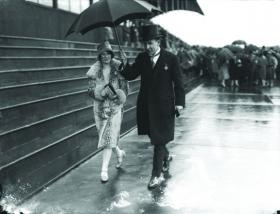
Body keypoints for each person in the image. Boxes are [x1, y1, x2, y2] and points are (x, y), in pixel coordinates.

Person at [119, 25, 185, 189]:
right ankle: (166, 156)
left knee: (158, 140)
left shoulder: (171, 59)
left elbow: (179, 83)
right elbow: (131, 74)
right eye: (145, 44)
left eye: (150, 43)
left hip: (165, 107)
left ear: (158, 42)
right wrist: (123, 64)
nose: (147, 47)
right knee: (156, 139)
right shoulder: (142, 58)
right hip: (147, 106)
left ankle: (156, 175)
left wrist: (180, 103)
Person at [86, 41, 128, 183]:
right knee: (106, 137)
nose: (105, 57)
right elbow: (90, 91)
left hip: (115, 107)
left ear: (111, 55)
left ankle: (103, 170)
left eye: (108, 54)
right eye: (102, 55)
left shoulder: (117, 68)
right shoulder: (94, 71)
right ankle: (119, 153)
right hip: (99, 108)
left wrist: (118, 96)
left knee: (108, 138)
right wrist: (101, 93)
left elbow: (125, 87)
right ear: (99, 57)